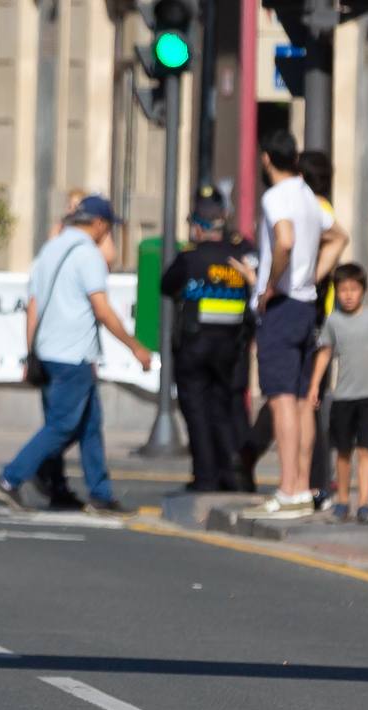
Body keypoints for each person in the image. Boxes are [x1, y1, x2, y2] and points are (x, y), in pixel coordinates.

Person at [0, 195, 152, 515]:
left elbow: (32, 306)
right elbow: (101, 308)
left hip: (48, 351)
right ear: (100, 224)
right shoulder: (87, 255)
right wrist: (135, 347)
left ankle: (98, 494)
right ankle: (10, 479)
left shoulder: (50, 249)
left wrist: (29, 352)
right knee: (62, 425)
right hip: (73, 354)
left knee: (90, 425)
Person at [241, 132, 348, 519]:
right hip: (305, 305)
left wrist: (271, 285)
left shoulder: (276, 197)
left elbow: (283, 240)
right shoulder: (307, 195)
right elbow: (339, 236)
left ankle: (288, 489)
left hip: (283, 306)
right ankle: (302, 486)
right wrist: (313, 277)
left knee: (282, 398)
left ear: (267, 158)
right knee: (303, 402)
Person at [160, 194, 256, 491]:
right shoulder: (241, 256)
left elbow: (166, 285)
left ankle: (206, 476)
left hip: (194, 348)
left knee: (197, 411)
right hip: (231, 348)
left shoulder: (191, 258)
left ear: (199, 228)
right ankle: (235, 471)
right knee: (226, 409)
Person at [305, 263, 368, 523]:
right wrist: (314, 385)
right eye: (343, 290)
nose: (348, 294)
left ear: (363, 290)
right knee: (344, 452)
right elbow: (324, 354)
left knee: (366, 449)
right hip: (343, 397)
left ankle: (365, 503)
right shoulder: (333, 321)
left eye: (353, 289)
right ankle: (343, 501)